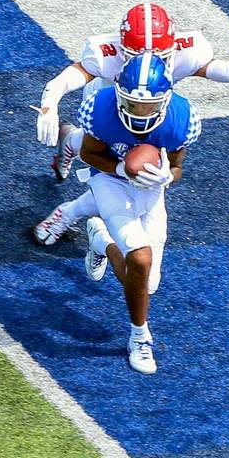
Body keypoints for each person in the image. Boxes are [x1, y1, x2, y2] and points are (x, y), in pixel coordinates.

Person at [34, 1, 229, 183]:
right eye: (136, 55)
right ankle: (72, 144)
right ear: (121, 49)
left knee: (139, 162)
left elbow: (225, 70)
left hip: (157, 105)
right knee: (106, 153)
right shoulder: (106, 56)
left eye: (158, 55)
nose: (148, 61)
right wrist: (49, 105)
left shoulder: (187, 52)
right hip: (110, 98)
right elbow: (67, 79)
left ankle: (70, 143)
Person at [68, 51, 200, 374]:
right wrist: (120, 169)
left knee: (146, 283)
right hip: (110, 182)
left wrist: (169, 176)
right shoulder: (100, 108)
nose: (140, 112)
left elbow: (178, 166)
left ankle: (101, 241)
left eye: (148, 105)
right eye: (133, 103)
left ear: (166, 99)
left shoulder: (182, 117)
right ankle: (139, 336)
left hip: (151, 190)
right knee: (140, 260)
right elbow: (88, 153)